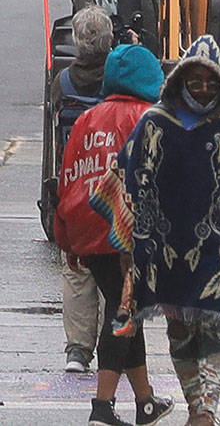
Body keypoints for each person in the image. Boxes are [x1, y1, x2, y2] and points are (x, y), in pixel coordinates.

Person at [91, 35, 220, 426]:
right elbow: (127, 182)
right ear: (180, 79)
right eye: (195, 80)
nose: (204, 88)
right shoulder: (154, 121)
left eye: (211, 81)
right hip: (164, 247)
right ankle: (197, 405)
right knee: (179, 327)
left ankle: (205, 411)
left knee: (215, 323)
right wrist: (130, 249)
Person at [56, 43, 173, 426]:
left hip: (88, 229)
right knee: (124, 313)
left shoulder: (87, 119)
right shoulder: (152, 120)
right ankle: (102, 407)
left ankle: (145, 401)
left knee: (125, 310)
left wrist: (65, 238)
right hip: (131, 235)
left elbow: (67, 181)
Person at [54, 5, 114, 373]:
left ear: (77, 42)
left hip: (76, 181)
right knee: (116, 262)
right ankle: (115, 336)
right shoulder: (119, 80)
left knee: (77, 269)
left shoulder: (61, 81)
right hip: (112, 185)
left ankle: (78, 349)